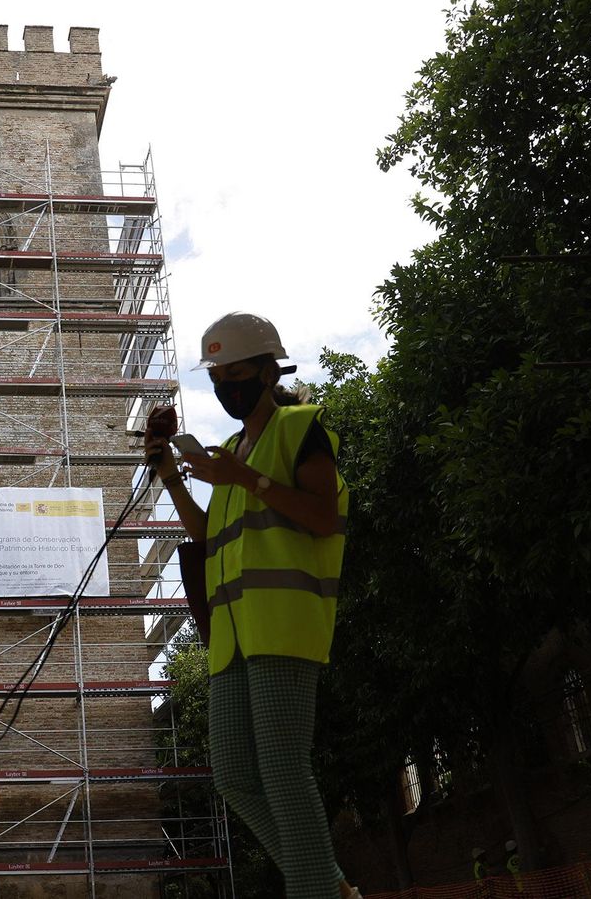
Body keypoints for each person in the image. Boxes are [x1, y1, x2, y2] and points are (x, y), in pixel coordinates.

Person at [147, 312, 353, 899]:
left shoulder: (299, 429)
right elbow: (213, 538)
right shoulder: (235, 450)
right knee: (236, 777)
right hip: (233, 634)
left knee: (285, 769)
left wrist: (247, 479)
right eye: (217, 377)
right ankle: (328, 882)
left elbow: (321, 517)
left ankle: (315, 891)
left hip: (285, 625)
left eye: (235, 373)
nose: (226, 387)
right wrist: (174, 477)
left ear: (268, 371)